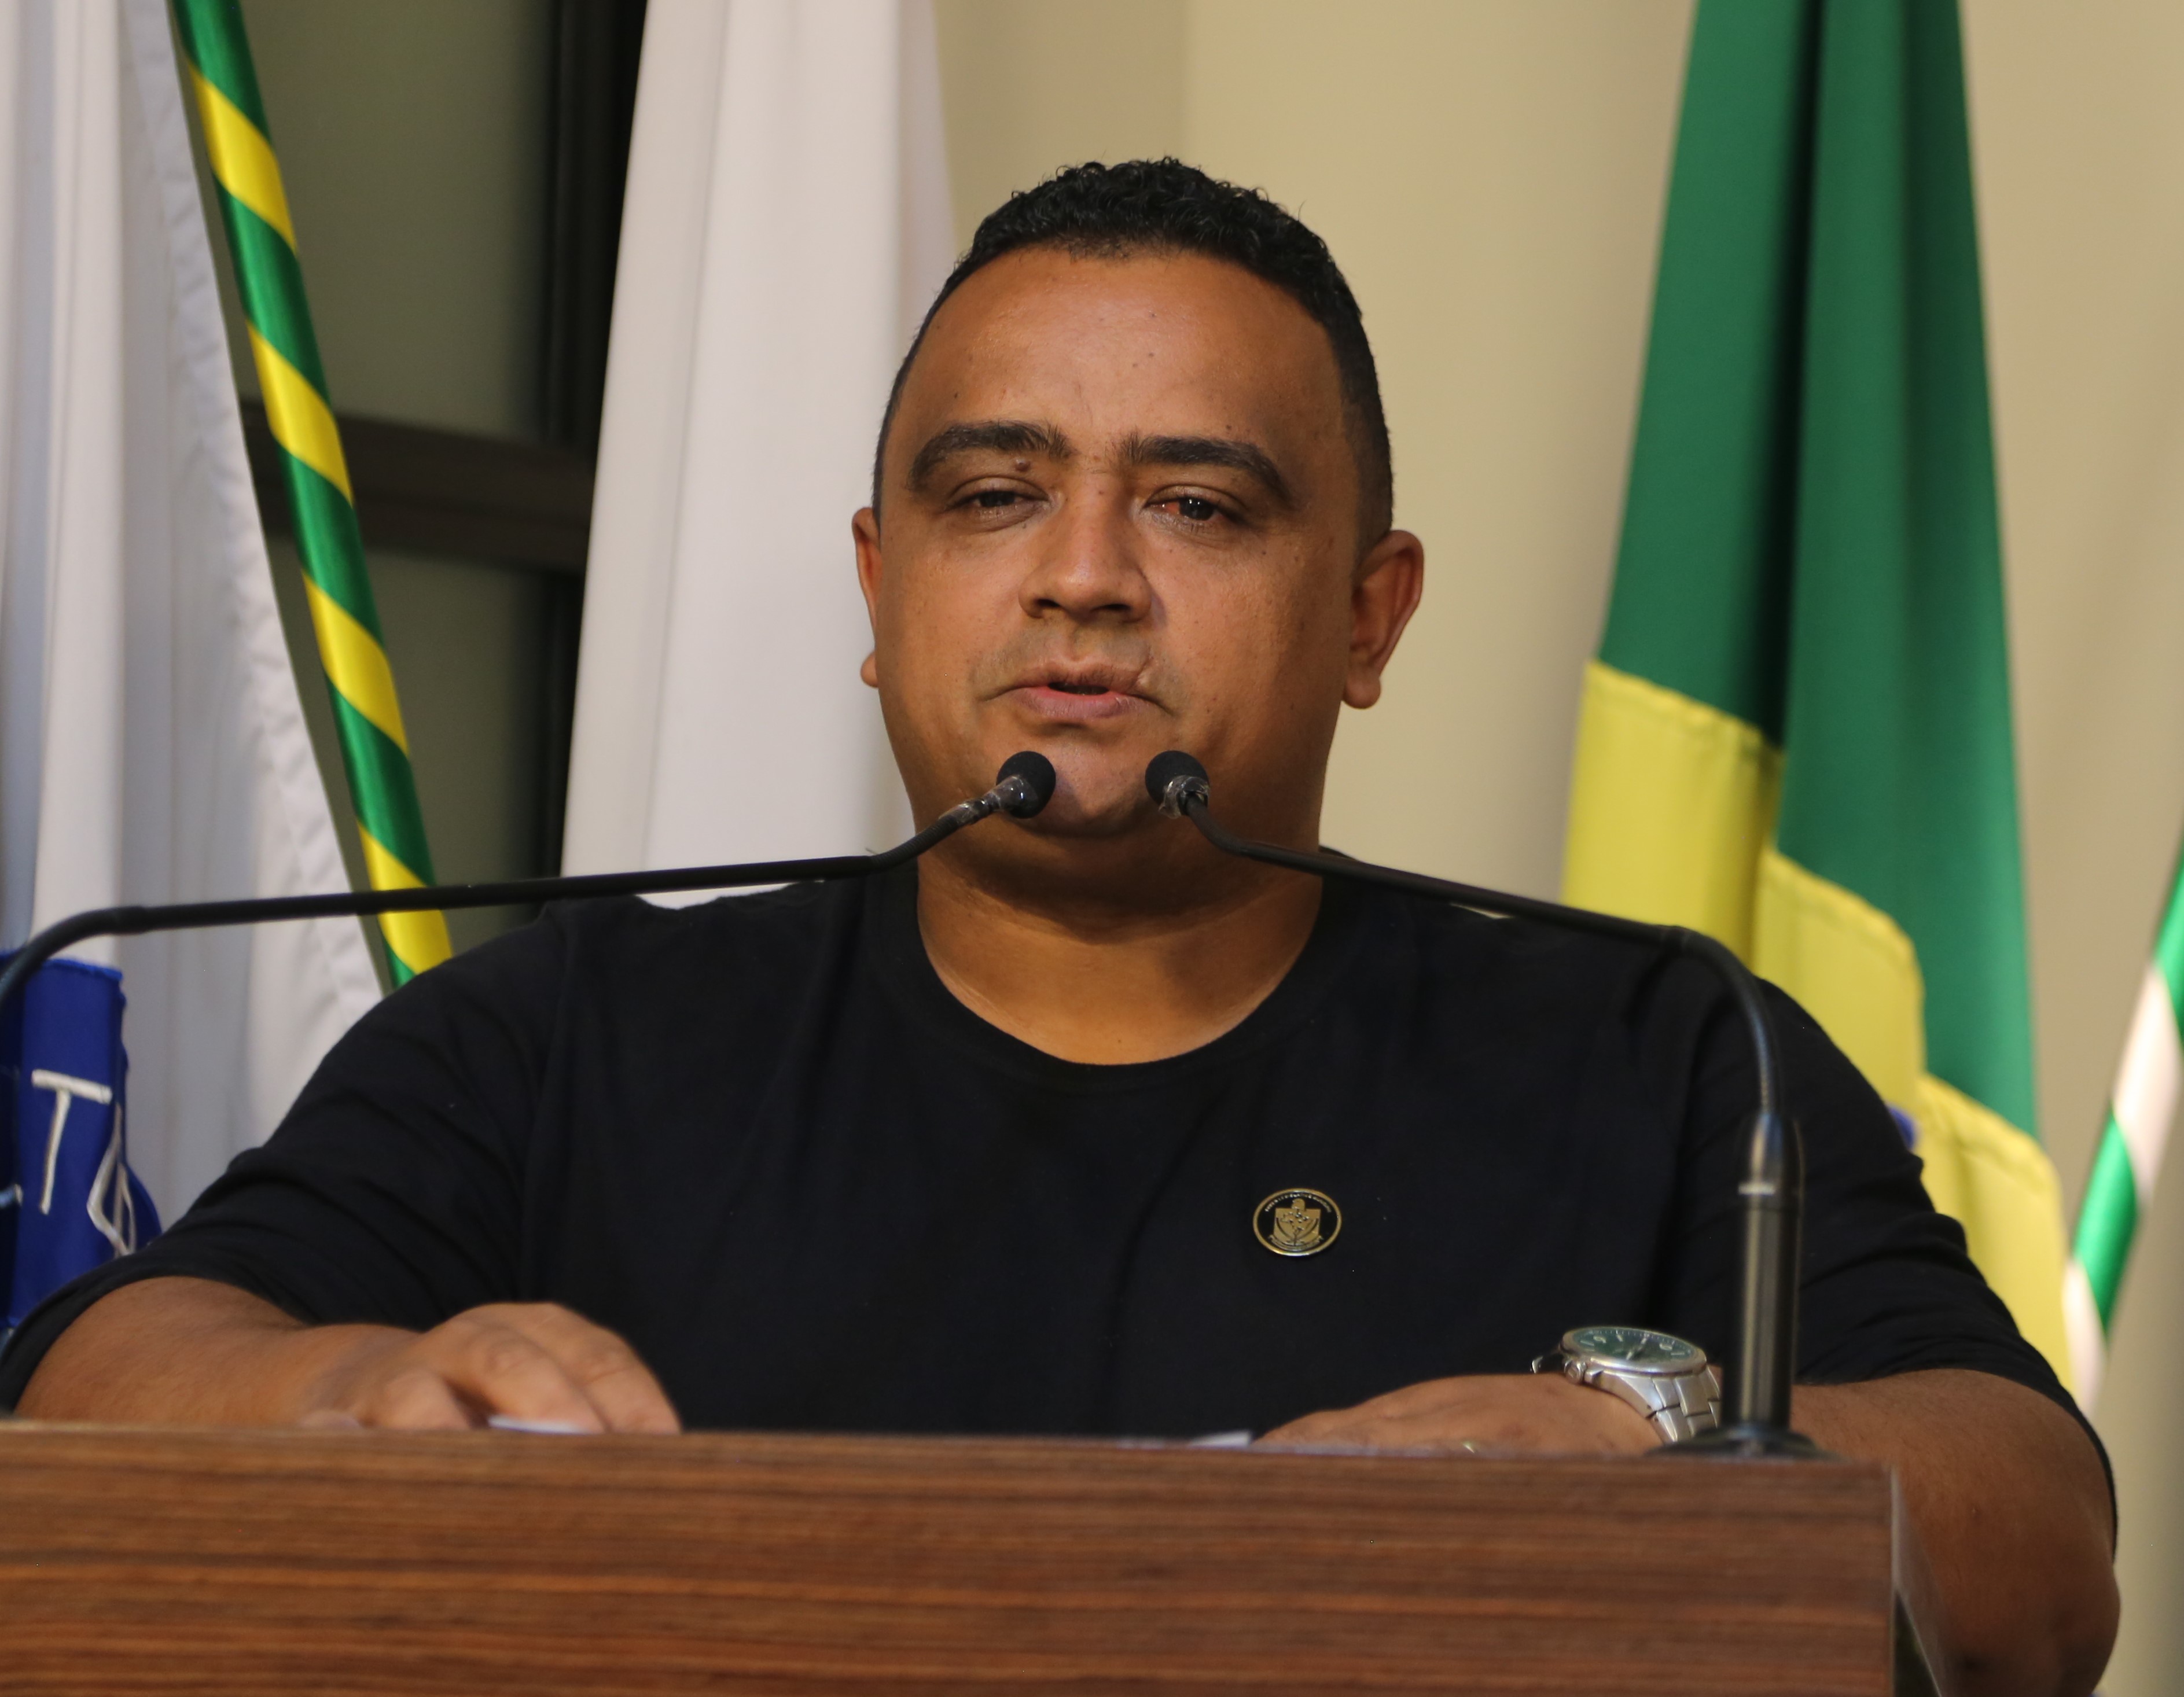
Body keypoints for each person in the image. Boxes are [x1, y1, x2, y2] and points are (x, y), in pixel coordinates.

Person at [3, 161, 2114, 1694]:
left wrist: (1655, 1433)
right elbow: (101, 1380)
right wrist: (357, 1396)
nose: (1083, 574)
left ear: (1370, 615)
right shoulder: (567, 1031)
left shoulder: (1664, 1049)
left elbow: (2042, 1545)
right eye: (995, 493)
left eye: (1196, 504)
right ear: (879, 585)